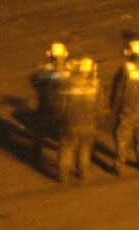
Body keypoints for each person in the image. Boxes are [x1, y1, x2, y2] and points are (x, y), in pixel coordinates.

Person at [107, 40, 139, 173]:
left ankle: (119, 165)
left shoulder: (126, 69)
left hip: (128, 111)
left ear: (130, 53)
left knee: (122, 137)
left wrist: (113, 110)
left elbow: (118, 92)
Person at [55, 57, 100, 185]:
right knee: (84, 150)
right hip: (89, 125)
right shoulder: (94, 86)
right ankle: (83, 174)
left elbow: (61, 107)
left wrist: (60, 120)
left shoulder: (67, 84)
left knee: (66, 149)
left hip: (70, 124)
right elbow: (99, 107)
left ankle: (63, 176)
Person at [30, 42, 71, 171]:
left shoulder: (44, 70)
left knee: (39, 131)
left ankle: (36, 156)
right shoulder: (70, 70)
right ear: (65, 55)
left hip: (46, 105)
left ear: (50, 55)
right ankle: (65, 165)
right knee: (65, 135)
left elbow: (35, 81)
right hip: (65, 106)